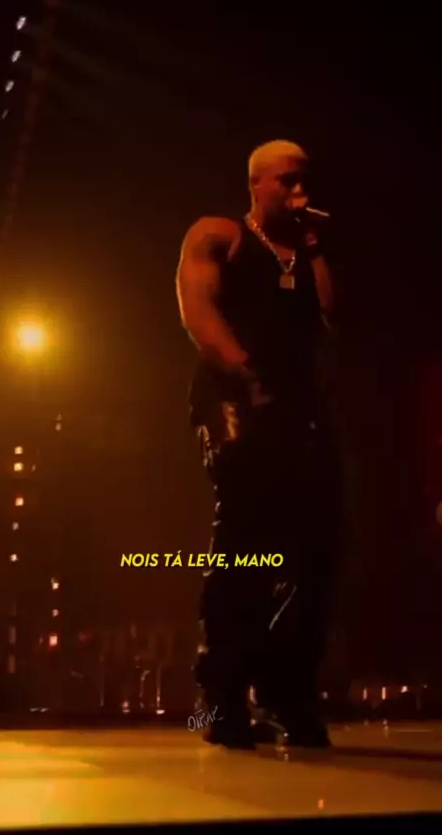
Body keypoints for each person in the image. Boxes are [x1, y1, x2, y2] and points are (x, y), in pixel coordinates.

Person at [176, 140, 342, 749]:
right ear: (256, 183)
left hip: (298, 407)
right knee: (245, 537)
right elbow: (199, 312)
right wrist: (246, 376)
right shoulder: (220, 235)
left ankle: (281, 689)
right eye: (287, 181)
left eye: (305, 181)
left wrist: (314, 245)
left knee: (318, 547)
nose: (300, 193)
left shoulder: (305, 250)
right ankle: (221, 692)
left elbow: (332, 314)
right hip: (233, 398)